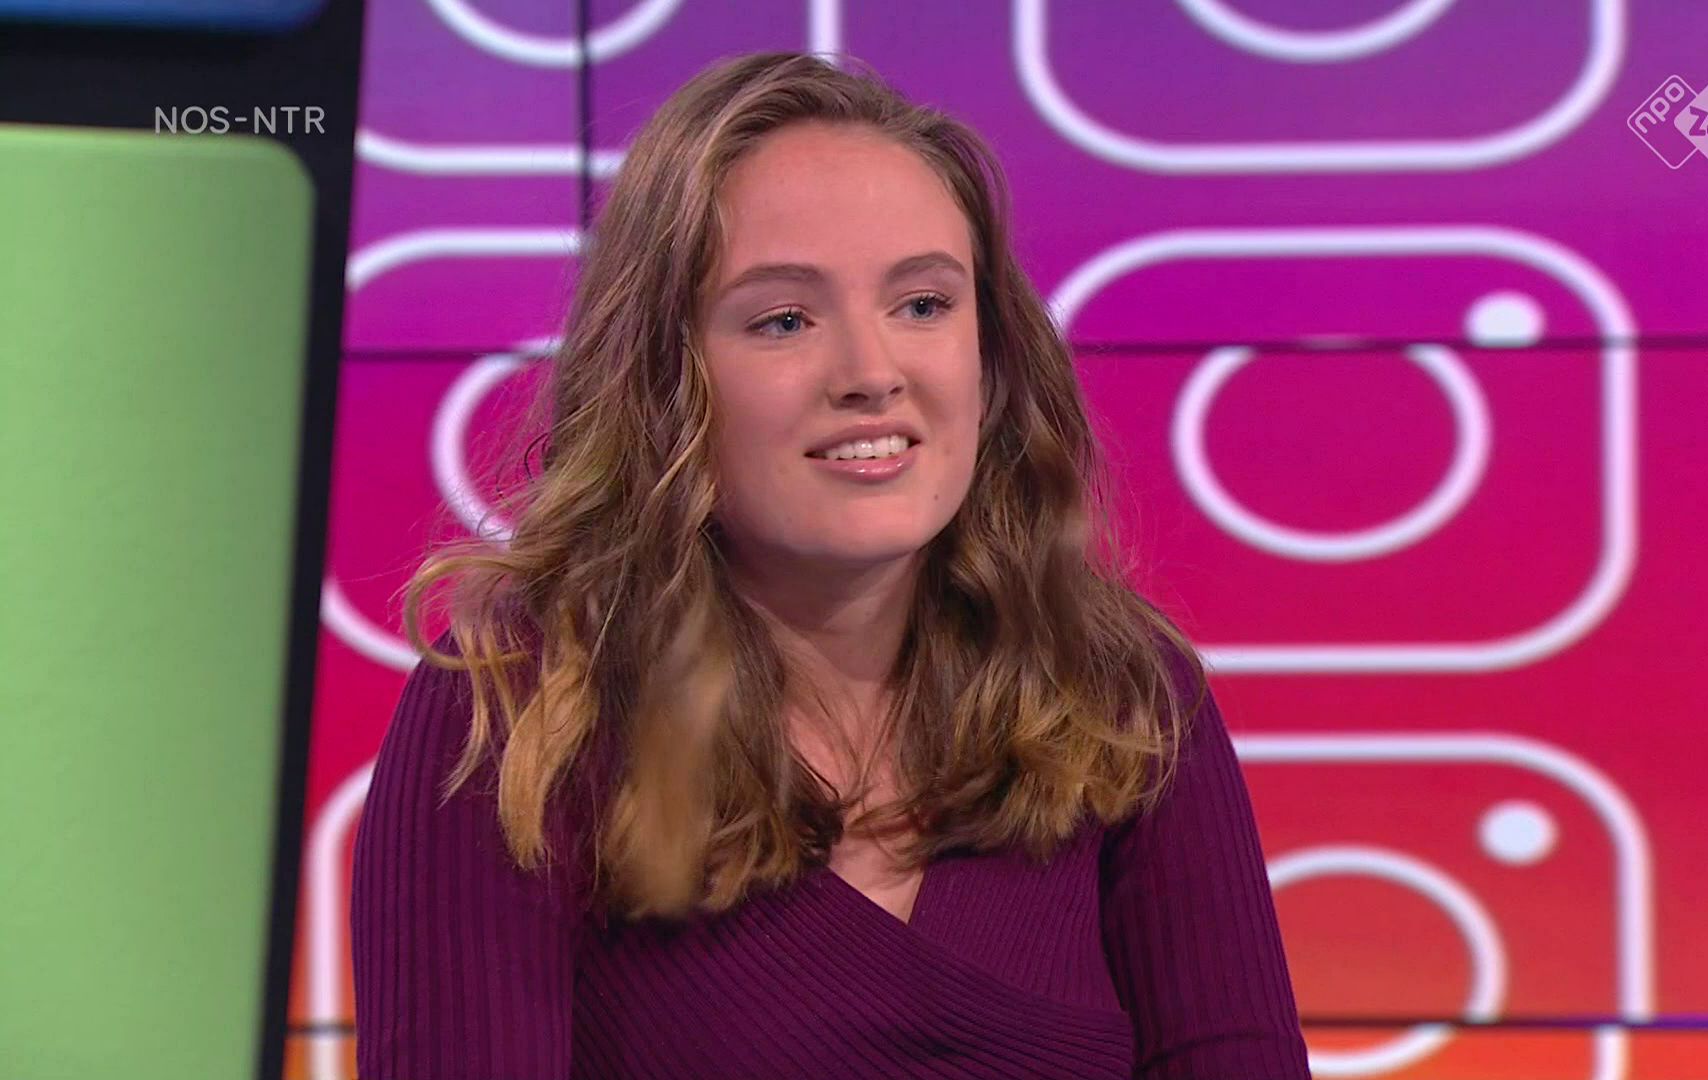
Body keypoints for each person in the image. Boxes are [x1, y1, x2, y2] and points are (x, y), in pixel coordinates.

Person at [350, 49, 1312, 1080]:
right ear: (665, 378)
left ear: (992, 355)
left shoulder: (1118, 696)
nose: (870, 373)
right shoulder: (521, 712)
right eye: (784, 320)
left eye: (924, 304)